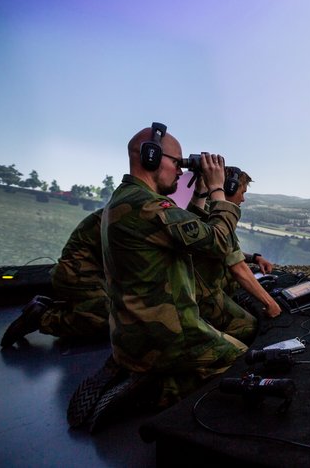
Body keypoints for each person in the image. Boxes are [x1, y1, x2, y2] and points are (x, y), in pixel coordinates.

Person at [101, 123, 247, 406]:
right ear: (151, 156)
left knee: (231, 333)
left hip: (134, 333)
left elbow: (183, 234)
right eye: (177, 162)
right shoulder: (148, 206)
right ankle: (160, 390)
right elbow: (217, 243)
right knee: (243, 361)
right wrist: (218, 189)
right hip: (167, 336)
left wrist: (201, 193)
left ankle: (157, 378)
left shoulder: (127, 200)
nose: (181, 171)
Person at [0, 208, 109, 348]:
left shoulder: (128, 210)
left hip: (92, 275)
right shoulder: (128, 214)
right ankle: (42, 318)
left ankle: (66, 308)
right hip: (79, 275)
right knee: (107, 322)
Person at [189, 167, 282, 323]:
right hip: (203, 297)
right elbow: (238, 268)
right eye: (242, 192)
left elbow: (227, 250)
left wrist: (254, 258)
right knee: (251, 326)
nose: (243, 199)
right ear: (229, 189)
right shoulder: (214, 219)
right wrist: (270, 303)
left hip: (204, 288)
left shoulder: (205, 210)